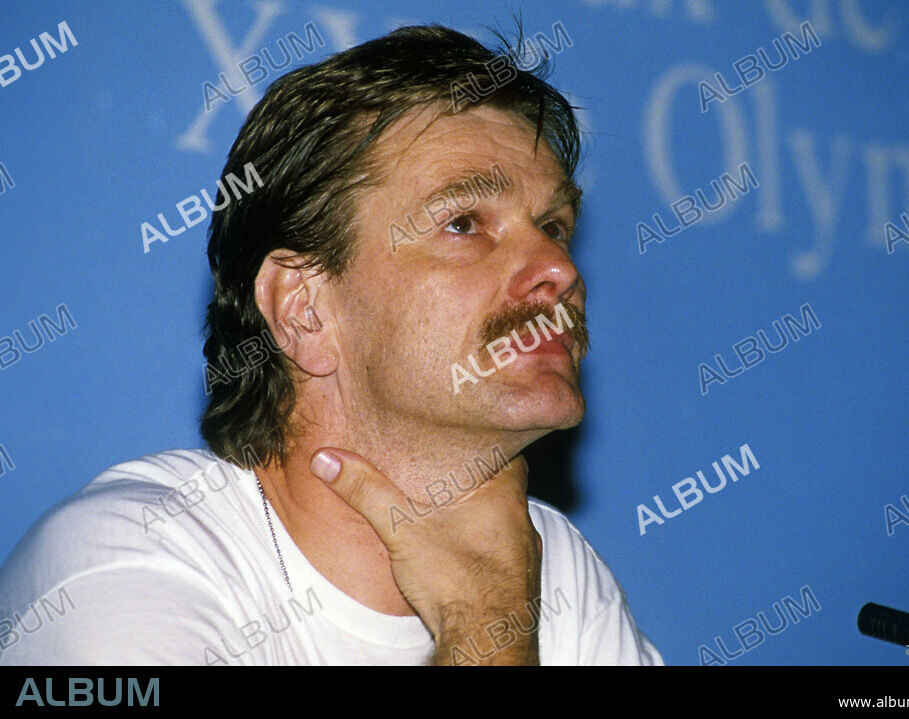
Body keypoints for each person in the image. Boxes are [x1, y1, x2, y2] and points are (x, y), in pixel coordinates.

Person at [0, 23, 662, 666]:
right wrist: (486, 620)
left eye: (554, 226)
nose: (559, 269)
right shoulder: (122, 565)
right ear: (303, 309)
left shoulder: (549, 569)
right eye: (463, 223)